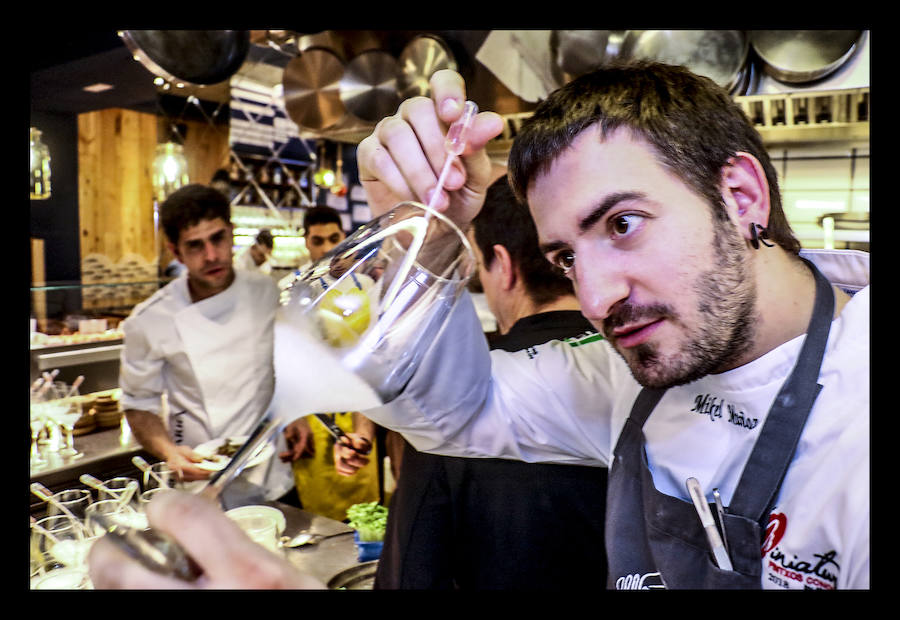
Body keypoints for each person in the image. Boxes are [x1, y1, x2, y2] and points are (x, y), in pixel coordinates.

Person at [90, 64, 869, 590]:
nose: (596, 296)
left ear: (740, 195)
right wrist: (423, 239)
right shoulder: (627, 381)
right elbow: (452, 414)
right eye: (564, 256)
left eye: (624, 224)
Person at [365, 175, 609, 590]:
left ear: (504, 265)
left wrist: (419, 248)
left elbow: (410, 574)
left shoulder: (461, 401)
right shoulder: (636, 368)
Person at [118, 184, 292, 502]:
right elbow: (139, 405)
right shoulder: (150, 319)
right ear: (176, 252)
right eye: (195, 246)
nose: (211, 255)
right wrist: (170, 452)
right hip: (200, 478)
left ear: (232, 233)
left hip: (271, 473)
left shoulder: (266, 291)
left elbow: (284, 365)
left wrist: (299, 418)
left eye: (218, 238)